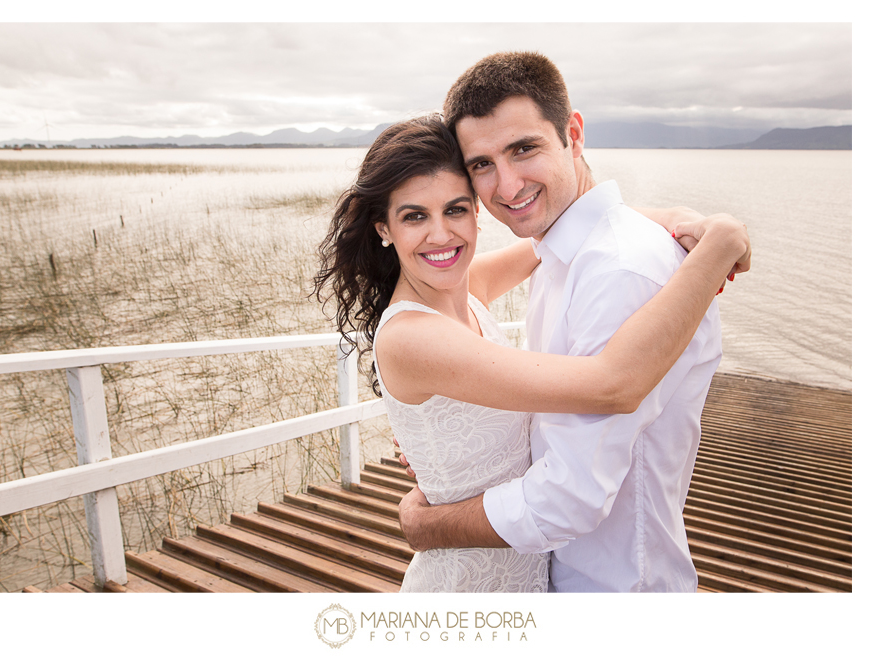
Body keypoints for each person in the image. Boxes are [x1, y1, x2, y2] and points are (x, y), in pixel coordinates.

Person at [314, 111, 750, 592]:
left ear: (478, 211)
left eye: (455, 209)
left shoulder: (464, 287)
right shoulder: (413, 336)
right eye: (414, 216)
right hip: (468, 585)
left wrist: (681, 220)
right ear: (383, 228)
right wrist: (720, 246)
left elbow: (571, 230)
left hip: (529, 574)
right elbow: (613, 383)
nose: (440, 235)